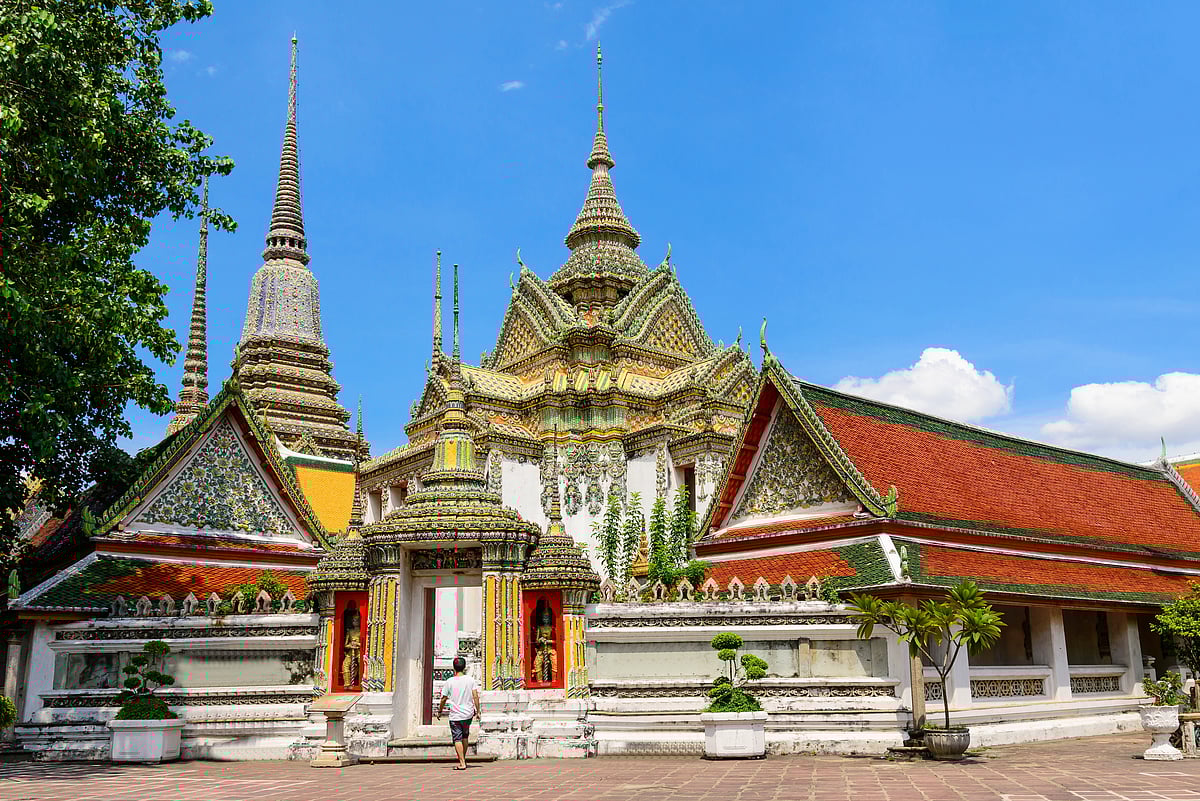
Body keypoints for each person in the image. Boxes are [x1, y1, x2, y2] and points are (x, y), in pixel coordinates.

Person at [437, 656, 480, 770]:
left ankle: (462, 762)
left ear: (453, 668)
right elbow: (475, 696)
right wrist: (478, 711)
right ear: (464, 667)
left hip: (455, 715)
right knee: (465, 736)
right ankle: (463, 759)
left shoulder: (449, 681)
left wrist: (440, 711)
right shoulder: (470, 680)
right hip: (468, 714)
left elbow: (443, 698)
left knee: (457, 738)